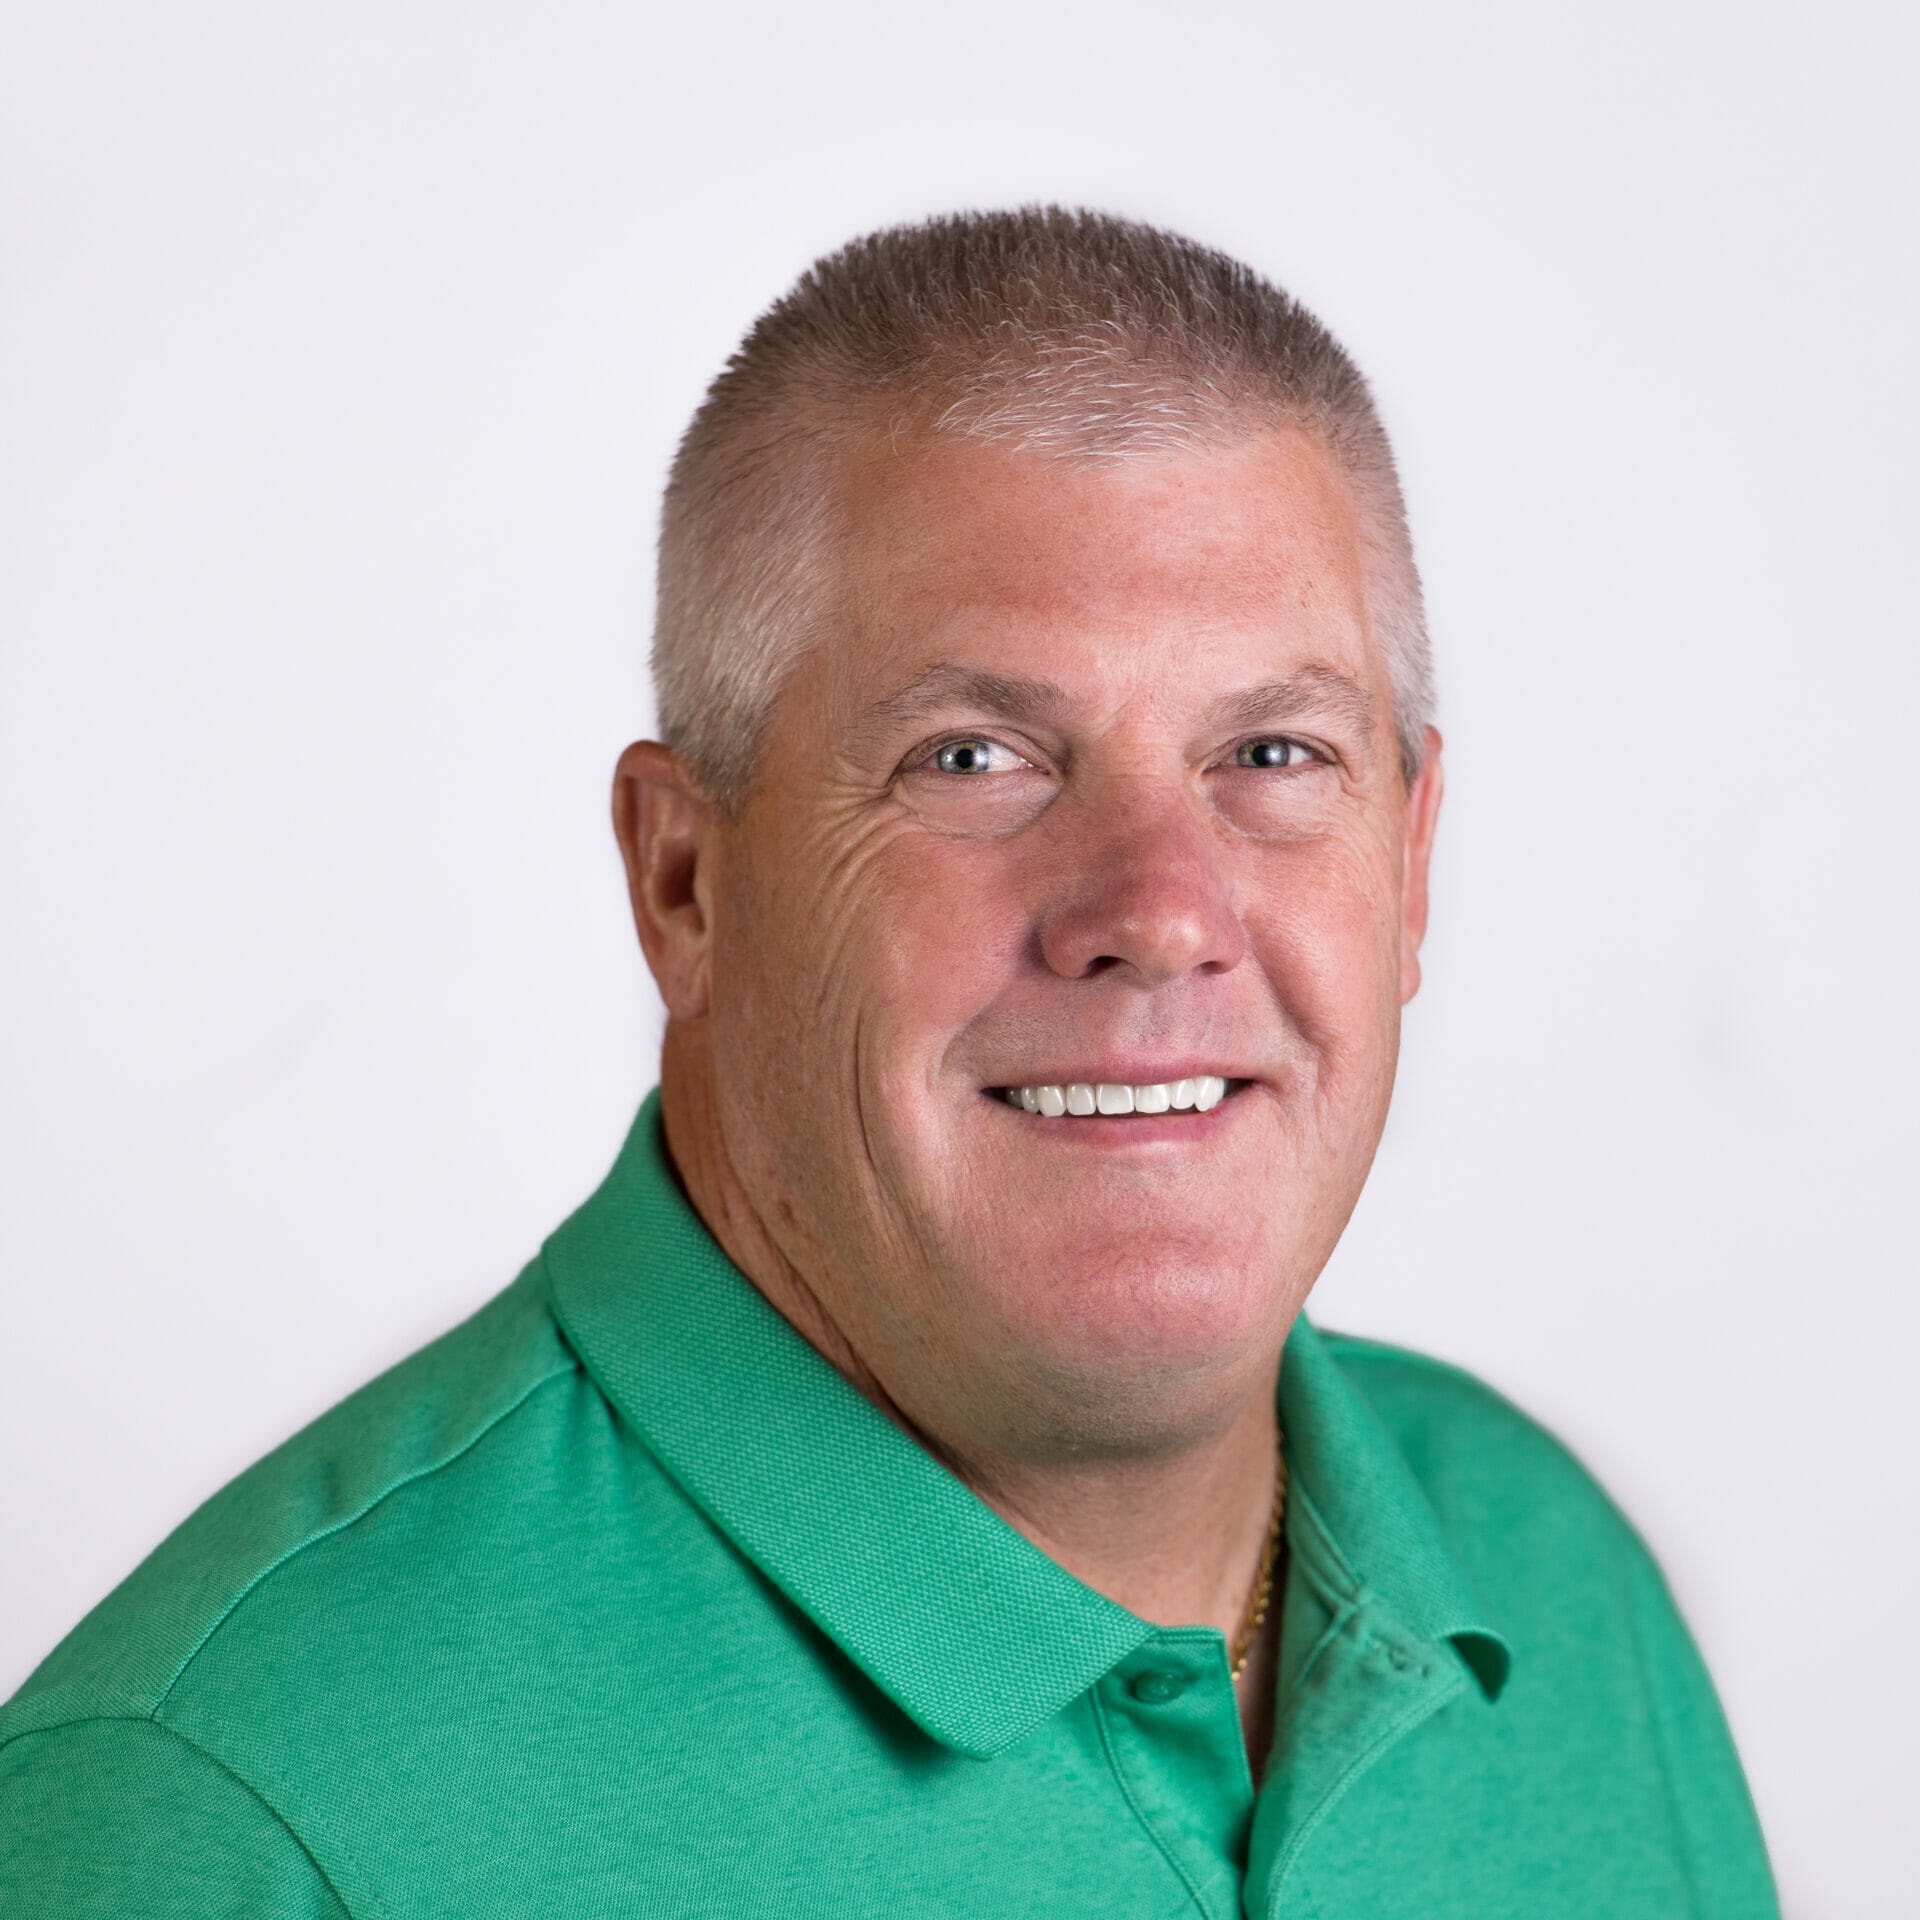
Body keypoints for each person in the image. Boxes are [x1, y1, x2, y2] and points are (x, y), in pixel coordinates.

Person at [0, 209, 1776, 1918]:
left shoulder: (1563, 1594)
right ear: (682, 879)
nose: (1159, 913)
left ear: (1413, 857)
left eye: (1275, 749)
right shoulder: (213, 1812)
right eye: (975, 756)